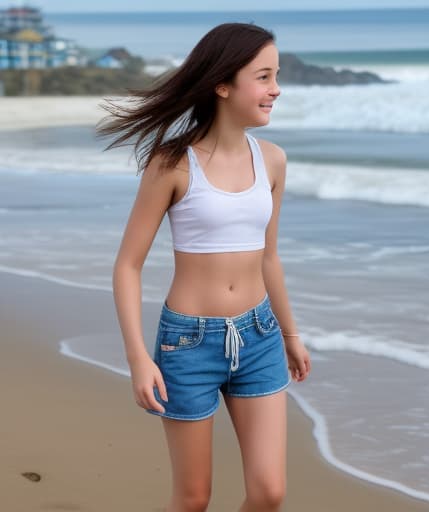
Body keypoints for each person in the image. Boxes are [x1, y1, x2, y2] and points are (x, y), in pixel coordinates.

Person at [96, 22, 311, 512]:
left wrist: (290, 335)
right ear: (222, 84)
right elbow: (128, 265)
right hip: (188, 344)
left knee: (268, 493)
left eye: (275, 75)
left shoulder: (273, 161)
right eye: (263, 76)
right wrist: (137, 358)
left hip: (259, 336)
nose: (275, 88)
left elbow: (269, 255)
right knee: (193, 499)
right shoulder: (173, 163)